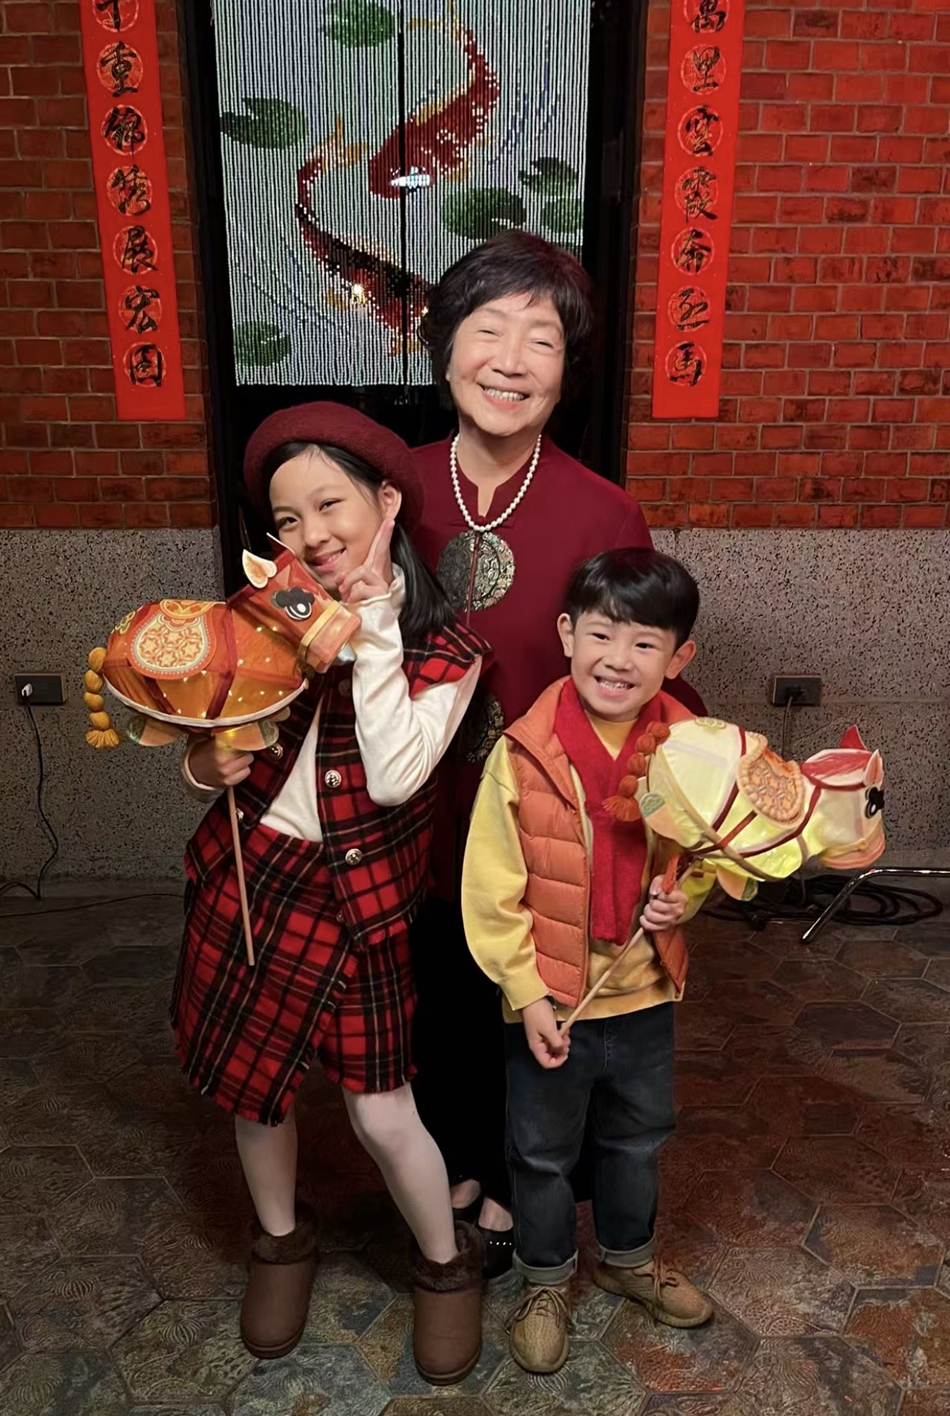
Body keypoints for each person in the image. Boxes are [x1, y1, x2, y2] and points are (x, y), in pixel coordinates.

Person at [170, 403, 490, 1385]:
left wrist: (374, 622)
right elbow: (209, 731)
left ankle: (443, 1263)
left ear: (385, 503)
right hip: (254, 878)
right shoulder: (262, 619)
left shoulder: (449, 651)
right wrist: (203, 762)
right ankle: (279, 1241)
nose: (309, 535)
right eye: (286, 519)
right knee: (254, 1091)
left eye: (328, 505)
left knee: (382, 1114)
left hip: (359, 909)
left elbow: (394, 776)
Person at [410, 231, 703, 1276]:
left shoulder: (601, 508)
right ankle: (450, 1166)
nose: (509, 360)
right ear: (444, 347)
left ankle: (516, 1186)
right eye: (486, 330)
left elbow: (644, 666)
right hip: (411, 807)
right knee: (436, 994)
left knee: (535, 1003)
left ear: (566, 370)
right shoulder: (393, 489)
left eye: (541, 340)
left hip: (549, 816)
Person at [461, 548, 715, 1373]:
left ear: (678, 657)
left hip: (643, 992)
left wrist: (686, 898)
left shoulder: (693, 751)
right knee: (539, 1153)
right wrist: (526, 993)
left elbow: (707, 852)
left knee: (637, 1139)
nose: (619, 658)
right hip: (553, 1003)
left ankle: (628, 1259)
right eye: (603, 634)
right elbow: (491, 889)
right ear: (568, 634)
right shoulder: (524, 752)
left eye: (646, 643)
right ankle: (544, 1280)